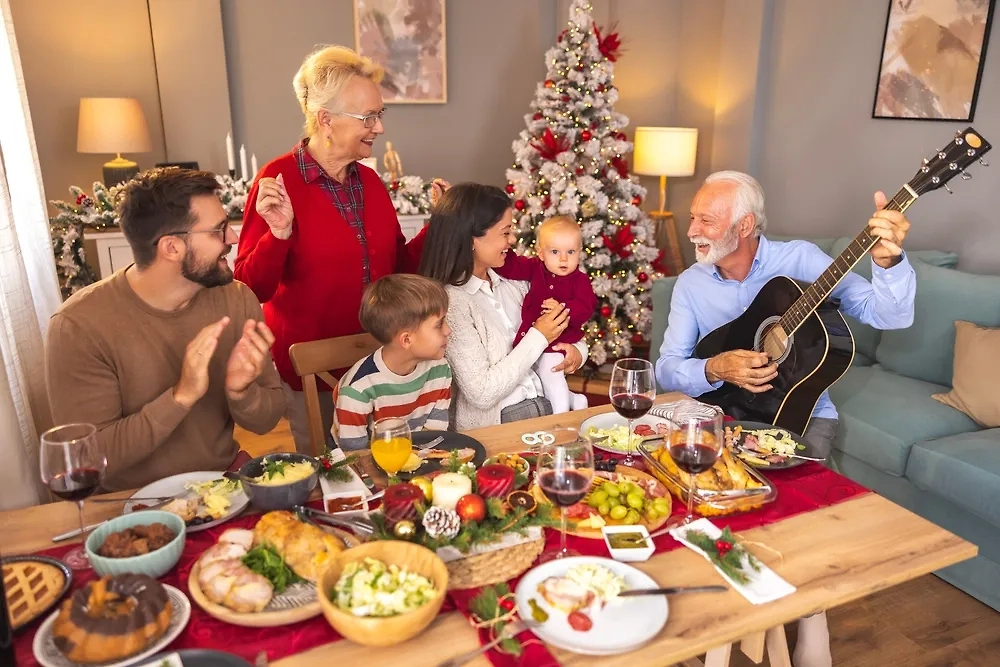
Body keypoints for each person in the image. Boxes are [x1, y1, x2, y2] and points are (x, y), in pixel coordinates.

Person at [654, 170, 916, 667]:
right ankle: (712, 623)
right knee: (700, 512)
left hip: (799, 417)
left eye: (705, 220)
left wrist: (890, 262)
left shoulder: (801, 262)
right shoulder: (691, 283)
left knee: (794, 528)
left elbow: (888, 316)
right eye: (694, 217)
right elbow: (668, 364)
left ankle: (811, 616)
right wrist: (714, 366)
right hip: (723, 413)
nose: (692, 229)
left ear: (745, 224)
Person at [235, 45, 440, 454]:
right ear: (325, 120)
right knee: (328, 478)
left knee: (392, 469)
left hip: (382, 365)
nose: (378, 128)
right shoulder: (277, 179)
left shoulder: (371, 183)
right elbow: (248, 288)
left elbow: (399, 268)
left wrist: (439, 225)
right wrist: (278, 235)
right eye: (368, 117)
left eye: (380, 116)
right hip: (314, 374)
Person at [45, 168, 285, 492]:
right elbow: (87, 457)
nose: (232, 238)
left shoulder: (237, 299)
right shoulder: (78, 327)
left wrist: (242, 393)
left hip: (222, 486)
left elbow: (267, 419)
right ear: (171, 248)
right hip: (126, 505)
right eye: (218, 230)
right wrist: (180, 396)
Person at [419, 183, 586, 430]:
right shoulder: (452, 304)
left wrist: (579, 351)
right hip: (500, 425)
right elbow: (481, 392)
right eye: (505, 232)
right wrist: (538, 336)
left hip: (550, 409)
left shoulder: (515, 283)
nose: (513, 239)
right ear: (472, 238)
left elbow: (568, 326)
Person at [332, 275, 452, 451]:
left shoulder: (440, 369)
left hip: (416, 457)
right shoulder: (357, 391)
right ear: (406, 340)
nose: (448, 330)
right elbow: (356, 456)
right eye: (439, 324)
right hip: (368, 462)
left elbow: (433, 437)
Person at [493, 216, 597, 414]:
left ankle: (561, 415)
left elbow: (586, 306)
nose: (564, 259)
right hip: (533, 342)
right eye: (555, 252)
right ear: (541, 253)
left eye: (571, 252)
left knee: (551, 373)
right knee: (543, 380)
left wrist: (563, 308)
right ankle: (575, 399)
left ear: (579, 253)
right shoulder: (535, 269)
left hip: (557, 343)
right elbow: (511, 266)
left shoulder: (580, 281)